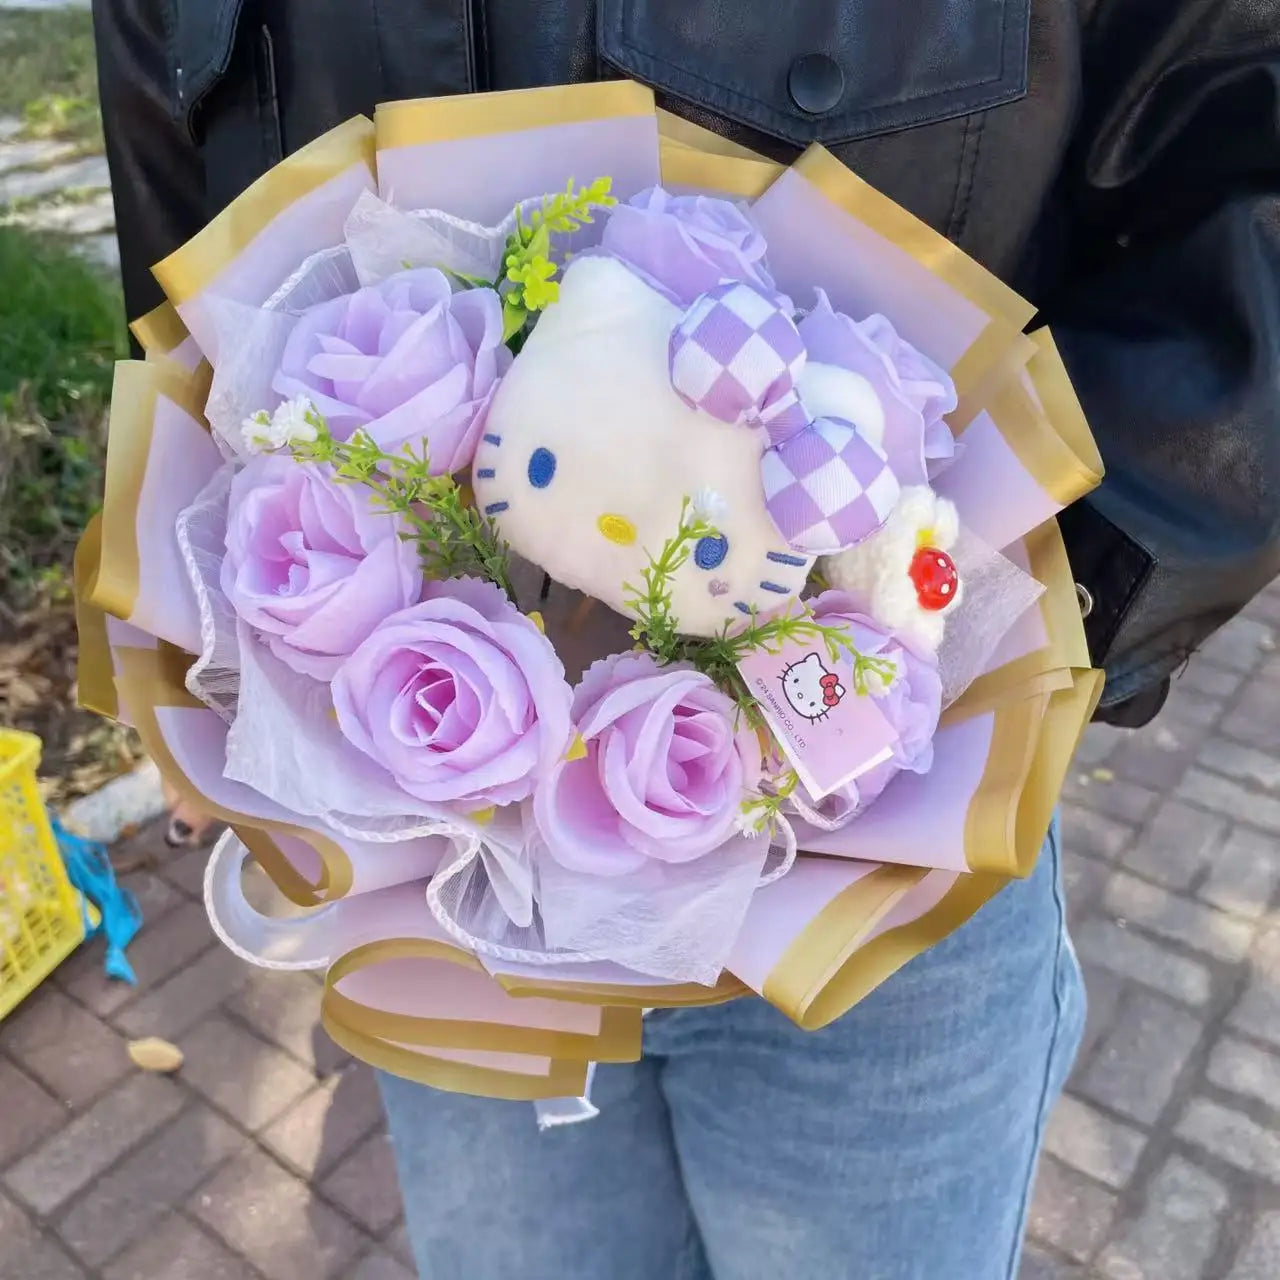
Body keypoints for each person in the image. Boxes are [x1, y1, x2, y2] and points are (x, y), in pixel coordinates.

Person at [90, 3, 1280, 1276]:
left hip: (876, 880)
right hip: (443, 883)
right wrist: (200, 625)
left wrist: (1005, 618)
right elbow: (175, 193)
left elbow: (1238, 152)